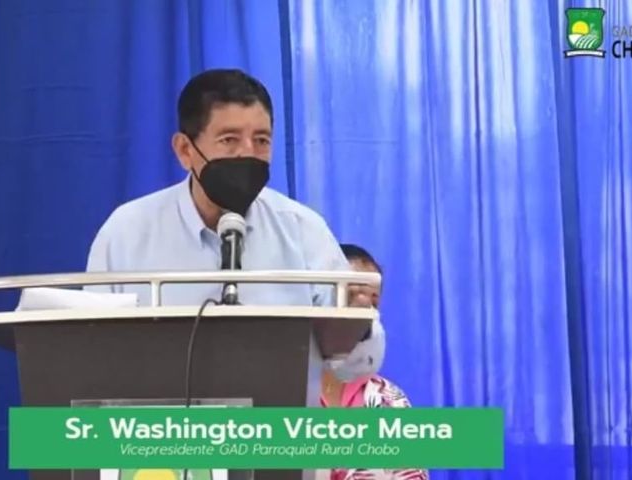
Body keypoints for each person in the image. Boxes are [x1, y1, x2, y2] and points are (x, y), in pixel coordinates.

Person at [85, 68, 383, 378]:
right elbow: (91, 355)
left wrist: (358, 324)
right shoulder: (126, 233)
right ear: (185, 150)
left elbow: (354, 369)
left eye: (261, 140)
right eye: (229, 139)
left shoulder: (303, 230)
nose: (247, 154)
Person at [321, 244, 428, 480]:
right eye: (351, 297)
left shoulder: (388, 400)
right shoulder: (286, 395)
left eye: (373, 303)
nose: (365, 313)